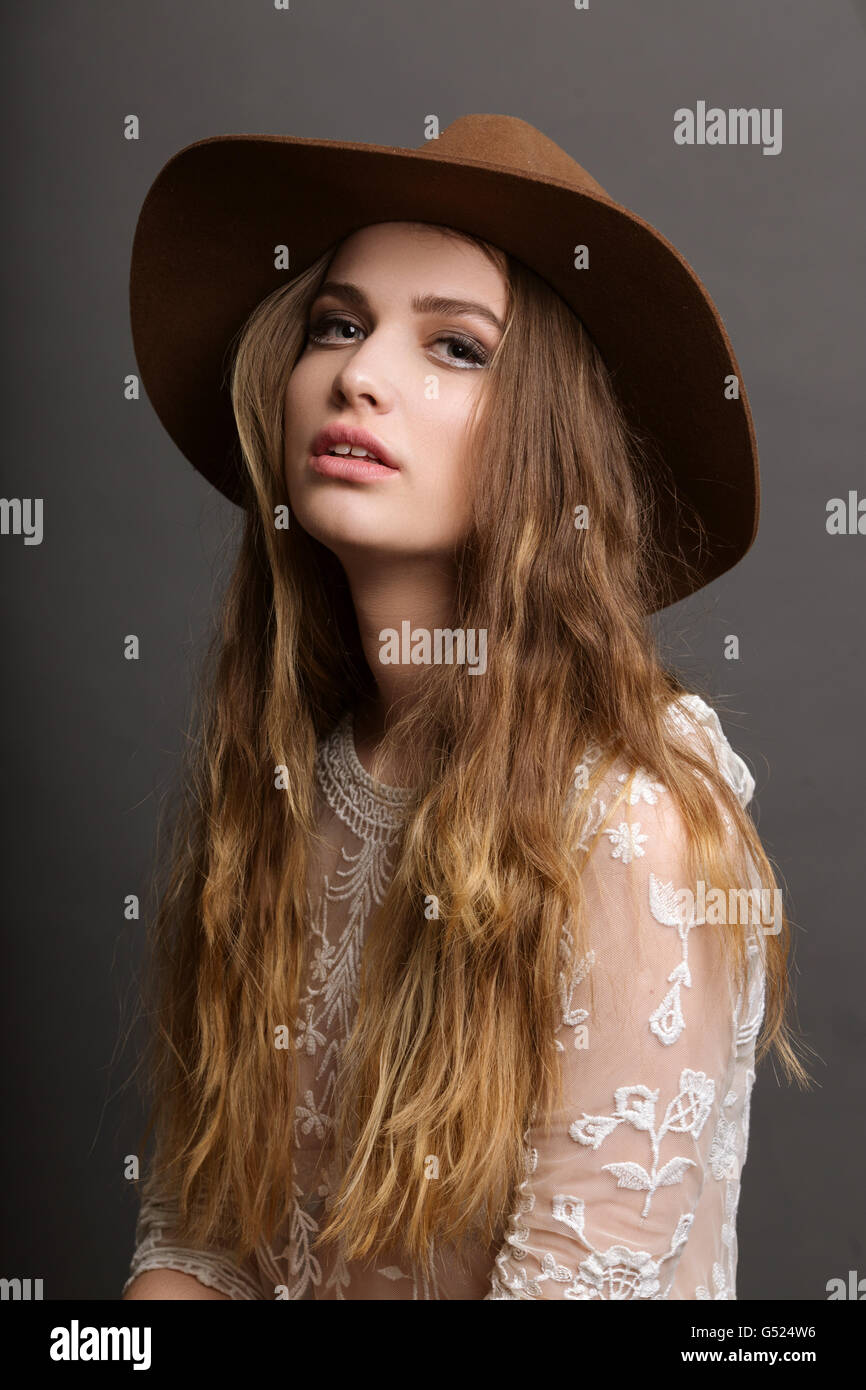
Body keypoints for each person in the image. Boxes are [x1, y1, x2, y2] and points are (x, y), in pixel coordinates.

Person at [121, 115, 809, 1301]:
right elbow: (198, 1240)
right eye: (338, 324)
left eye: (454, 347)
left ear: (547, 445)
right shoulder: (282, 788)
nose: (357, 374)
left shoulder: (628, 828)